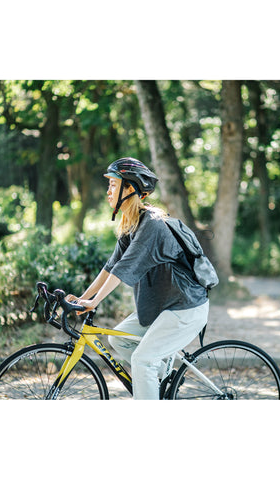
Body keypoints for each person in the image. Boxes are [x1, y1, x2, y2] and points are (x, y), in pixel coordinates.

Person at [66, 157, 209, 399]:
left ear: (129, 188)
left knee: (142, 361)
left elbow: (124, 269)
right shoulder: (133, 223)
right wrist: (84, 298)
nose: (108, 191)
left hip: (185, 308)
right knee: (119, 341)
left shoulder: (152, 225)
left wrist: (95, 302)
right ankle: (161, 379)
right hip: (163, 307)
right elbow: (111, 267)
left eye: (113, 185)